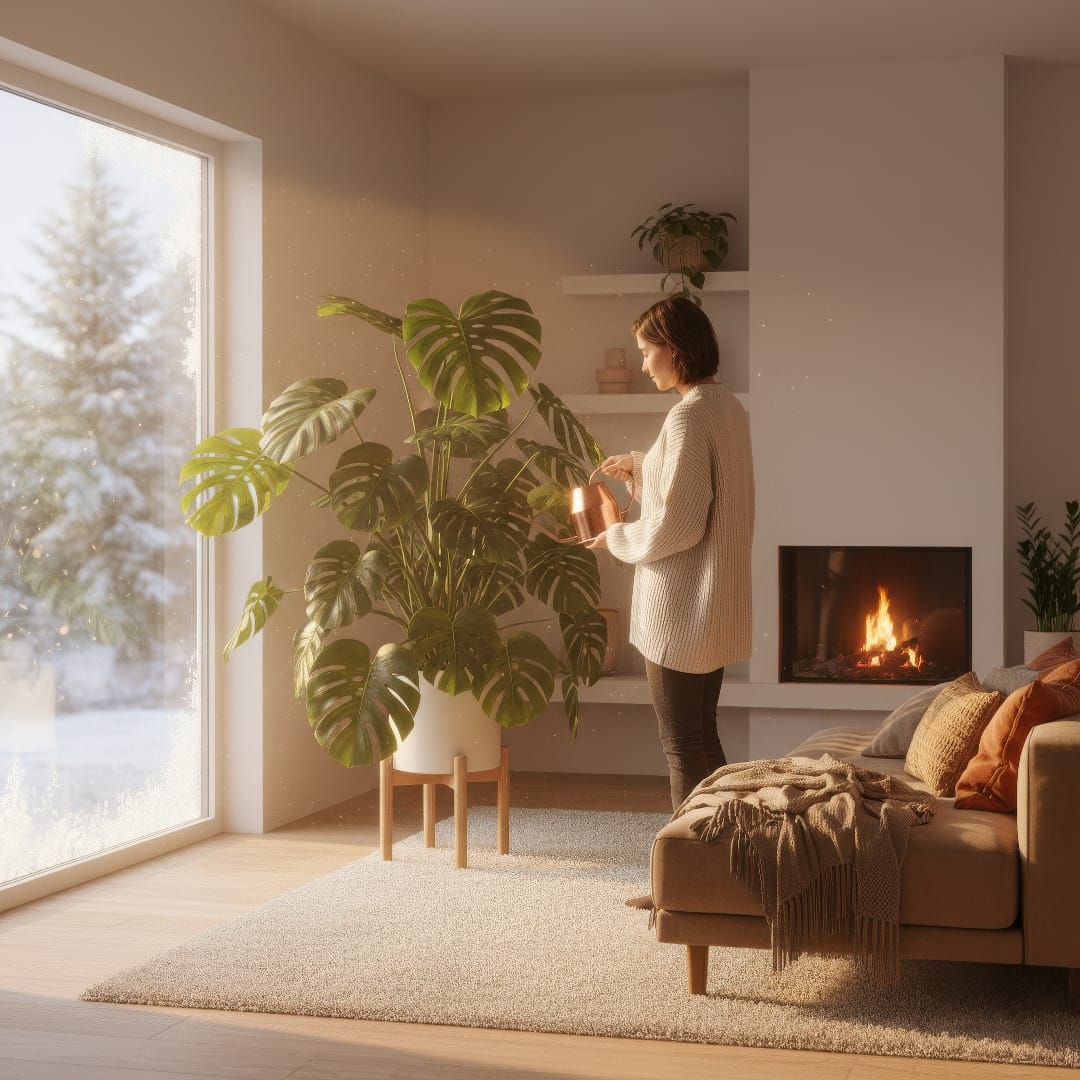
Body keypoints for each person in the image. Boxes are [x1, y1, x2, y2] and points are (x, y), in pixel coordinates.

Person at [587, 295, 755, 821]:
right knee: (702, 739)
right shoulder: (726, 407)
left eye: (646, 351)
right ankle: (724, 864)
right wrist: (641, 465)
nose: (642, 364)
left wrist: (616, 534)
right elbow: (709, 487)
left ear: (675, 349)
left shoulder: (687, 418)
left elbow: (680, 524)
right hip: (715, 605)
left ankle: (688, 880)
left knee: (682, 746)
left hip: (679, 612)